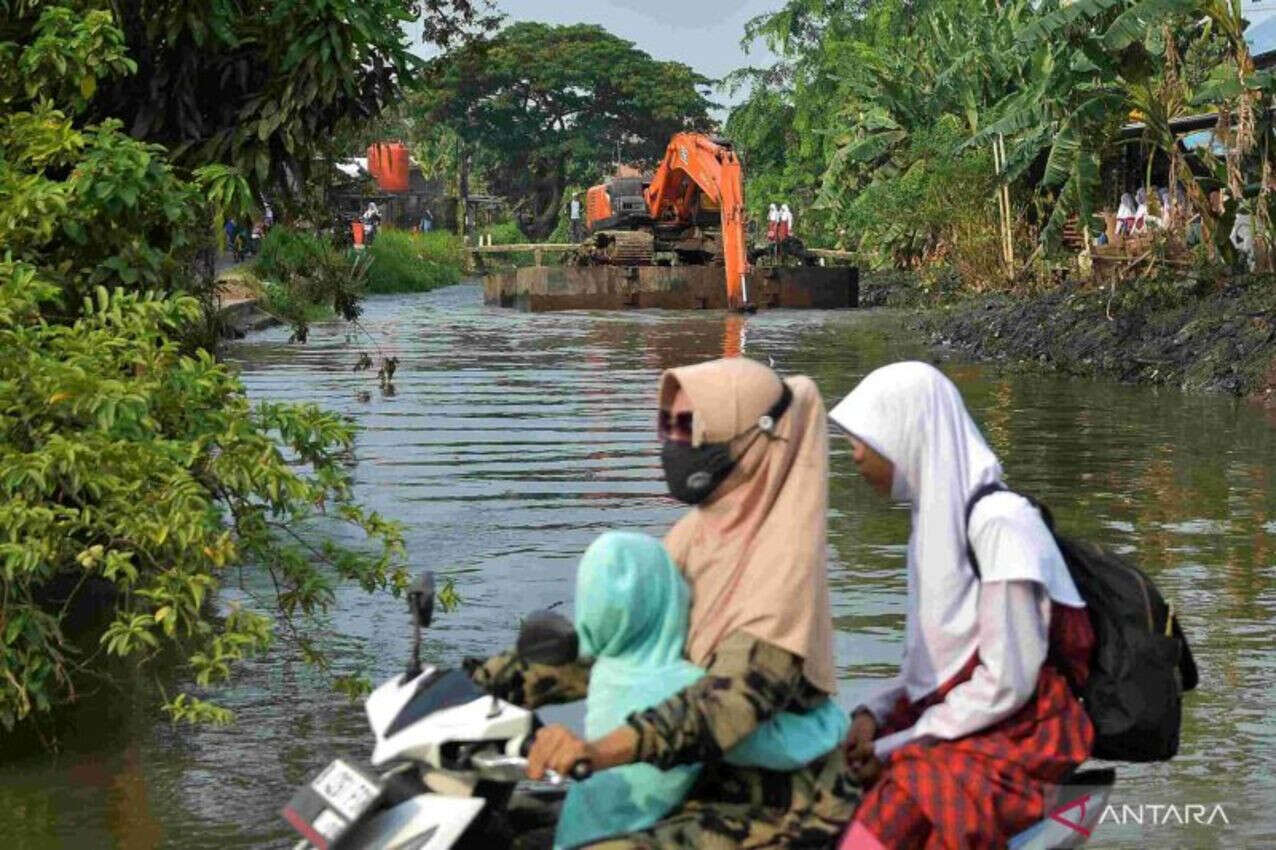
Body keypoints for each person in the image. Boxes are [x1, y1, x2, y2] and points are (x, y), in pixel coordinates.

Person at [469, 357, 860, 849]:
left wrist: (601, 748)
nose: (675, 445)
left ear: (756, 441)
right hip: (688, 777)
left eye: (690, 428)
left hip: (775, 802)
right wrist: (476, 684)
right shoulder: (693, 538)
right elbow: (621, 646)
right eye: (668, 426)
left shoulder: (782, 567)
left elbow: (723, 706)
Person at [828, 361, 1095, 850]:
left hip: (1021, 732)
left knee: (879, 825)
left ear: (904, 435)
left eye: (862, 439)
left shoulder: (1000, 524)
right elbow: (927, 666)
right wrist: (871, 714)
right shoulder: (932, 528)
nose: (856, 455)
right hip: (964, 715)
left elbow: (1008, 679)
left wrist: (896, 744)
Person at [556, 531, 848, 850]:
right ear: (666, 596)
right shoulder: (681, 684)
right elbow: (779, 748)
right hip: (621, 839)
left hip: (575, 831)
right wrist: (832, 720)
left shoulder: (607, 670)